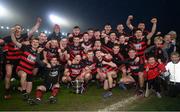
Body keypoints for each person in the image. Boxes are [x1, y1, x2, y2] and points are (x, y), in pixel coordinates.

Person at [3, 17, 42, 99]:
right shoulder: (9, 37)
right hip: (11, 58)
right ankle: (7, 91)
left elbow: (32, 30)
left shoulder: (24, 36)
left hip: (20, 58)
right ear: (13, 29)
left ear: (21, 30)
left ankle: (20, 87)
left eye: (19, 28)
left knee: (24, 75)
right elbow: (13, 41)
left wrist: (38, 23)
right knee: (9, 74)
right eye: (16, 28)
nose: (17, 30)